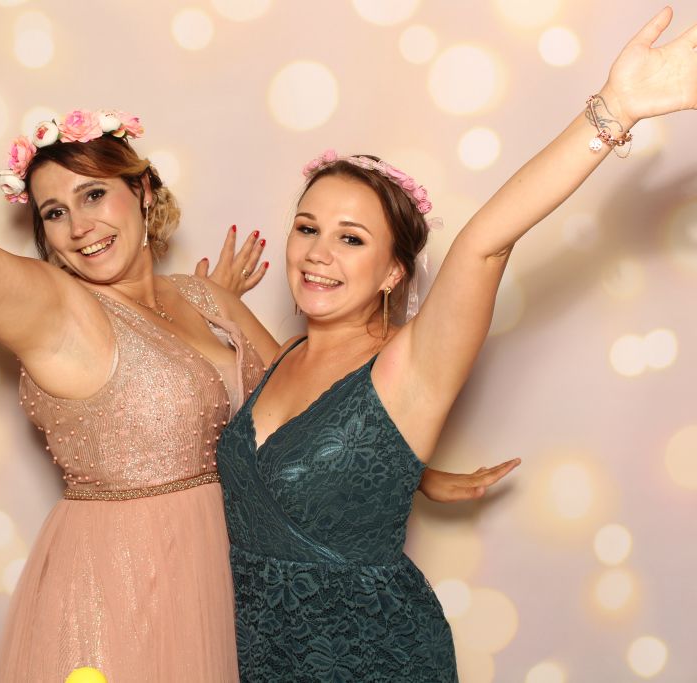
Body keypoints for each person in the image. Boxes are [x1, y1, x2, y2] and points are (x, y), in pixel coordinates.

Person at [0, 80, 514, 680]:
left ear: (142, 194)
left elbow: (314, 413)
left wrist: (415, 469)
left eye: (94, 195)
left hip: (233, 594)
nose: (79, 226)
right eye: (53, 212)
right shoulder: (60, 313)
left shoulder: (205, 298)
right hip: (121, 585)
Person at [215, 8, 697, 681]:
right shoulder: (281, 359)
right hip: (259, 656)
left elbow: (485, 243)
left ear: (393, 273)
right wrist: (216, 299)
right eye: (307, 227)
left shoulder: (409, 367)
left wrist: (615, 107)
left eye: (351, 238)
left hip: (371, 658)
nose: (319, 253)